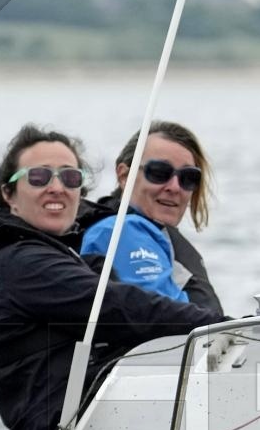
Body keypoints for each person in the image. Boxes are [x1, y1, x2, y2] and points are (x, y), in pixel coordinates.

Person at [0, 123, 221, 430]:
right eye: (39, 177)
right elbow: (115, 307)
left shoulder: (57, 249)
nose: (56, 186)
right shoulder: (19, 262)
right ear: (9, 194)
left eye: (70, 177)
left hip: (105, 416)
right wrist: (222, 326)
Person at [76, 120, 223, 316]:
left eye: (188, 177)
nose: (175, 187)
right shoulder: (121, 231)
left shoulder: (152, 234)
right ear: (124, 176)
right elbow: (164, 321)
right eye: (159, 172)